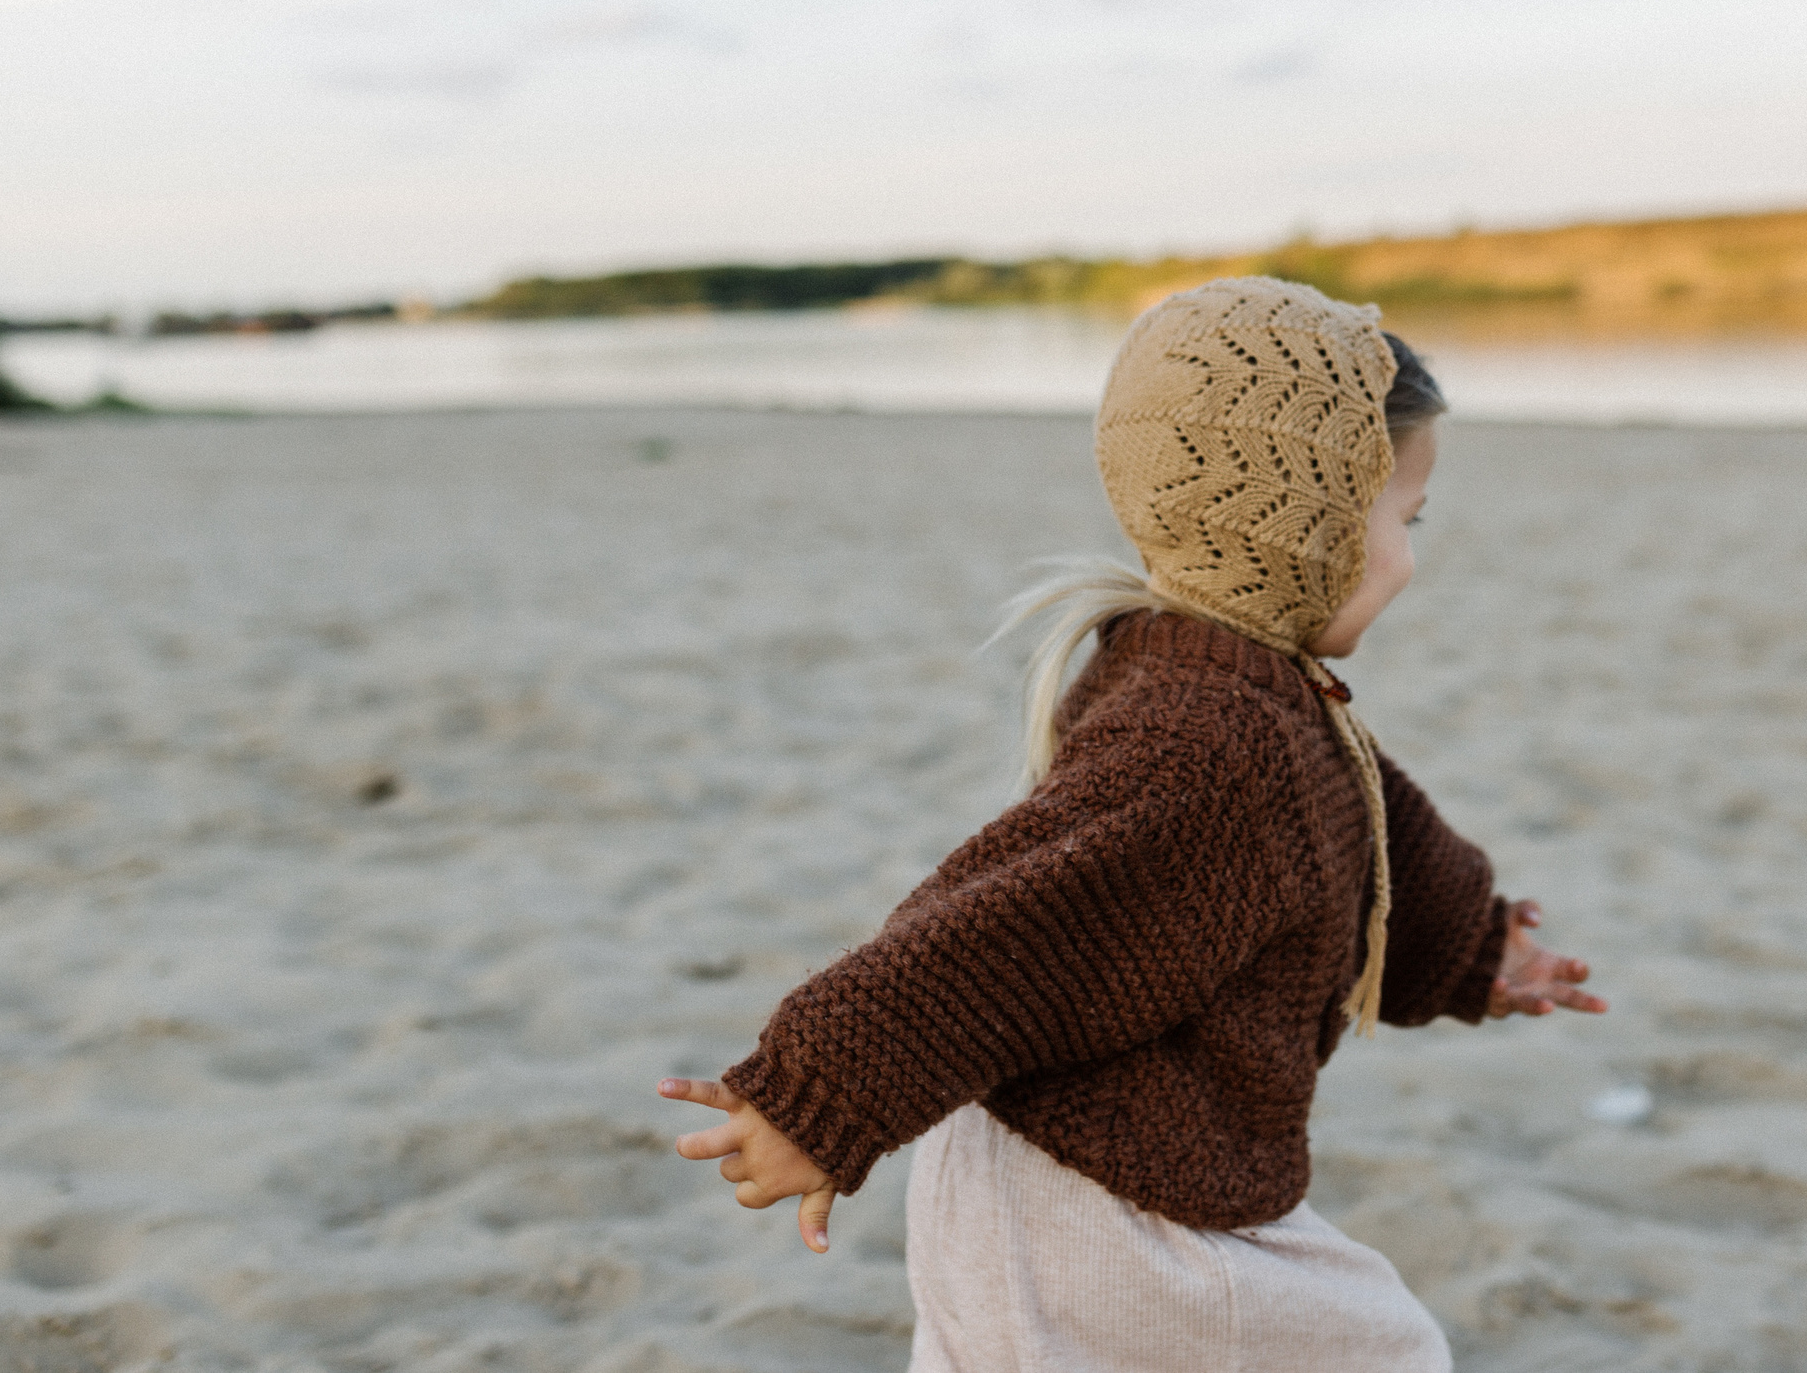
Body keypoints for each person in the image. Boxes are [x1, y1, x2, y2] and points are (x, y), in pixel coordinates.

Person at [661, 277, 1605, 1369]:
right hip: (1101, 1205)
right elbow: (1016, 925)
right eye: (1407, 516)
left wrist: (1473, 946)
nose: (1411, 554)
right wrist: (821, 1096)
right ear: (1306, 523)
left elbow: (1368, 822)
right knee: (1387, 1354)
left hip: (1079, 1173)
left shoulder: (1239, 685)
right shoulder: (1212, 742)